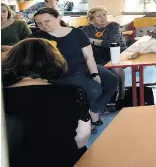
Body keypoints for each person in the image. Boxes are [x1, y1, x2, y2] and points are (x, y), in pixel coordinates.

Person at [2, 38, 91, 167]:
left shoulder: (3, 97)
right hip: (65, 159)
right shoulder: (74, 93)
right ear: (54, 61)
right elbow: (82, 137)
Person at [30, 7, 118, 126]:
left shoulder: (77, 33)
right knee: (94, 89)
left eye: (47, 21)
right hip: (62, 73)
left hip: (84, 66)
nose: (43, 25)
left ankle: (95, 110)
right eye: (39, 23)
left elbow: (88, 56)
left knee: (111, 80)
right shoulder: (37, 37)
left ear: (58, 18)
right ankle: (83, 118)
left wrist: (95, 74)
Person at [83, 6, 127, 106]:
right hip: (97, 55)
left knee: (116, 69)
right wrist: (99, 42)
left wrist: (93, 41)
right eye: (99, 16)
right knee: (93, 69)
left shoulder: (114, 26)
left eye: (104, 15)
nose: (103, 18)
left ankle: (122, 95)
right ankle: (105, 96)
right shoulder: (87, 29)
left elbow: (112, 43)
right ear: (91, 19)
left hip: (115, 53)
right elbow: (83, 42)